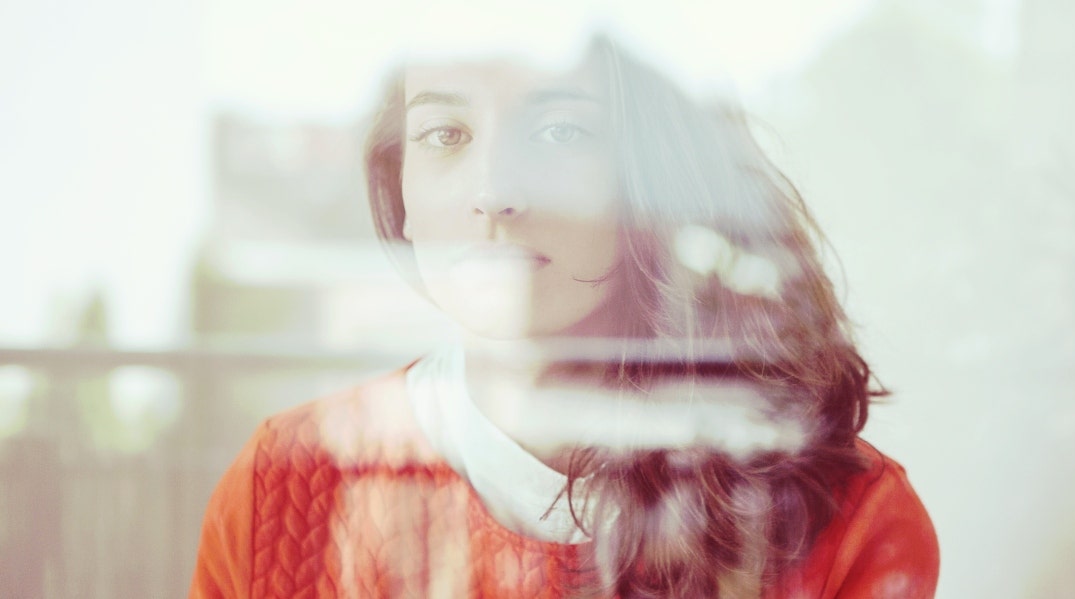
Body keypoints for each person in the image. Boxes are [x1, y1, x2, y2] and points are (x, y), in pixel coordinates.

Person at [190, 35, 938, 598]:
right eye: (444, 136)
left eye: (560, 132)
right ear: (403, 194)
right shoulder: (281, 490)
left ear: (652, 182)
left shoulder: (848, 518)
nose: (493, 190)